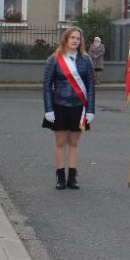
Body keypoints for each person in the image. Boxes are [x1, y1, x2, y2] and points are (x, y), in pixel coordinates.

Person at [42, 27, 96, 190]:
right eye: (72, 37)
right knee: (60, 142)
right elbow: (46, 85)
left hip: (78, 107)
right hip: (59, 106)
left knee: (73, 142)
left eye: (78, 38)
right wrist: (48, 108)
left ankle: (72, 177)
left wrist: (91, 110)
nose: (75, 41)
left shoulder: (86, 60)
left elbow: (91, 85)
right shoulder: (54, 59)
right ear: (65, 39)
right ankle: (60, 176)